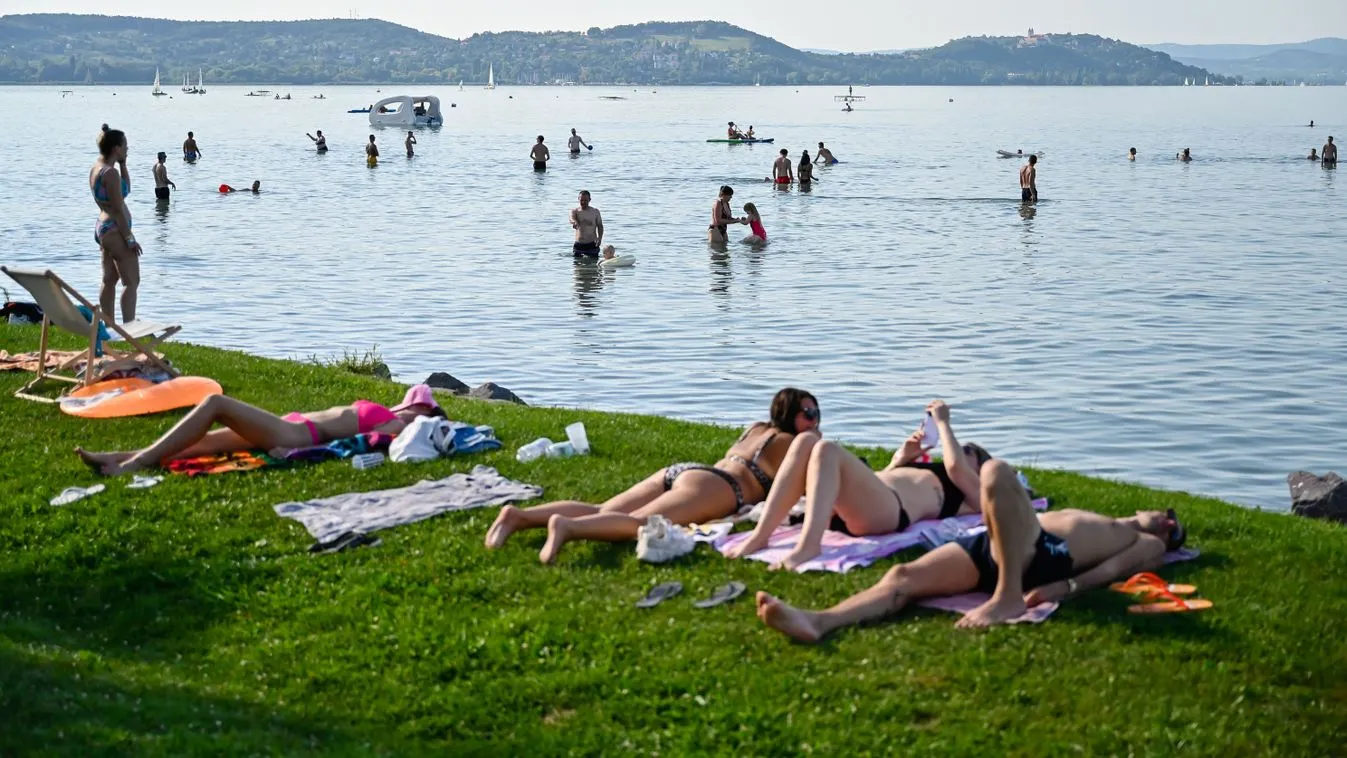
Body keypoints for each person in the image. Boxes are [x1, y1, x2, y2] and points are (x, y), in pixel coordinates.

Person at [756, 460, 1189, 640]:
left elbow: (1112, 571)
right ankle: (818, 621)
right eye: (1169, 515)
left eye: (1175, 527)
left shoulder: (1145, 542)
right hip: (995, 545)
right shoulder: (1112, 518)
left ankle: (1007, 597)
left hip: (1044, 554)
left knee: (996, 472)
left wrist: (1064, 588)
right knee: (903, 578)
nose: (1167, 521)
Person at [485, 388, 822, 563]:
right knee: (637, 524)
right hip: (720, 488)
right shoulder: (798, 443)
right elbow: (814, 483)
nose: (815, 419)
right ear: (792, 416)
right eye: (809, 413)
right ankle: (567, 528)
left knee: (604, 510)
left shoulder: (757, 429)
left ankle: (519, 516)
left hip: (687, 471)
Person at [727, 399, 991, 570]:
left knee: (827, 449)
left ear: (979, 468)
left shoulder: (973, 493)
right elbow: (878, 480)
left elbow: (955, 466)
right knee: (806, 441)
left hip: (890, 513)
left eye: (968, 451)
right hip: (860, 506)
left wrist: (943, 423)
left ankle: (809, 545)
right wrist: (901, 459)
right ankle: (760, 536)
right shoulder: (928, 470)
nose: (958, 451)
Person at [76, 385, 447, 477]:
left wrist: (300, 455)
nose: (413, 405)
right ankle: (115, 459)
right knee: (200, 443)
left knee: (215, 405)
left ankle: (135, 463)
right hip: (289, 426)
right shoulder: (394, 417)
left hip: (293, 436)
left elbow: (357, 444)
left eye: (420, 405)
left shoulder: (398, 426)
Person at [91, 128, 140, 324]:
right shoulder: (109, 174)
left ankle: (108, 325)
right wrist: (129, 238)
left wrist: (123, 164)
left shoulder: (98, 168)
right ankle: (129, 328)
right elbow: (119, 209)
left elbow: (124, 190)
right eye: (125, 145)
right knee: (131, 281)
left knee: (109, 280)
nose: (127, 148)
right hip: (115, 229)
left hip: (103, 228)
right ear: (116, 148)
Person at [570, 190, 604, 256]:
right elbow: (571, 218)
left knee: (593, 265)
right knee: (577, 266)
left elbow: (600, 226)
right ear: (578, 199)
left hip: (592, 244)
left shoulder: (595, 212)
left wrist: (600, 238)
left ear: (589, 200)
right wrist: (575, 222)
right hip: (579, 245)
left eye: (586, 200)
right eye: (581, 200)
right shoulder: (575, 211)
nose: (583, 202)